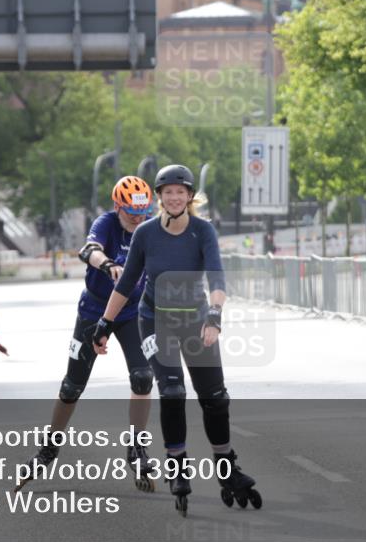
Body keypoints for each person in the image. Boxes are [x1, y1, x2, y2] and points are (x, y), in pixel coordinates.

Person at [93, 165, 261, 516]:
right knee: (171, 392)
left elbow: (217, 277)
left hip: (196, 320)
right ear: (160, 197)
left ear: (189, 196)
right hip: (155, 321)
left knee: (215, 398)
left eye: (179, 192)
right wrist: (105, 323)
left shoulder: (203, 232)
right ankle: (178, 467)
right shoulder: (146, 234)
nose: (173, 197)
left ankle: (227, 469)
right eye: (166, 192)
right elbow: (126, 285)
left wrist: (214, 316)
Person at [19, 176, 157, 492]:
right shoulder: (107, 223)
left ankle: (137, 447)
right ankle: (48, 448)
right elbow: (89, 250)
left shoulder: (149, 228)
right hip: (94, 311)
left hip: (131, 312)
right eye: (131, 213)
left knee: (142, 377)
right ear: (117, 206)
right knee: (72, 386)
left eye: (143, 212)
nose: (138, 219)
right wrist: (108, 264)